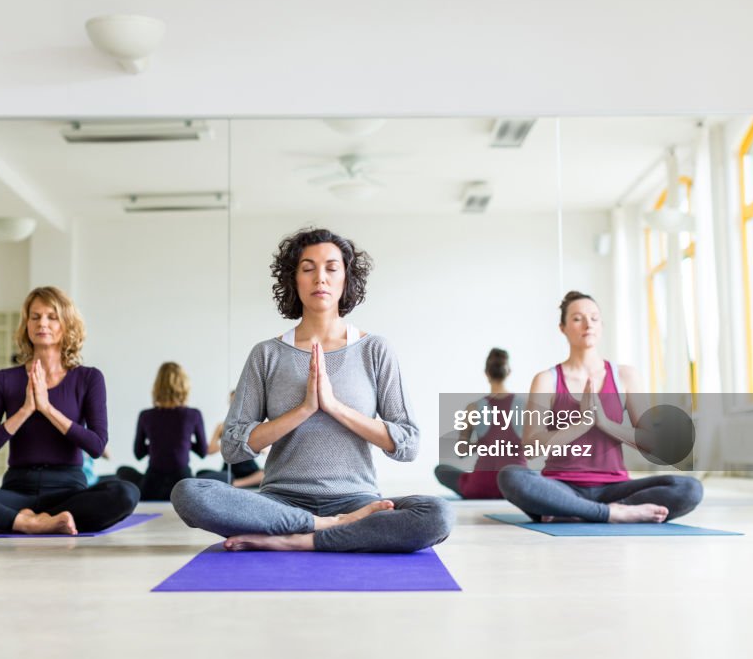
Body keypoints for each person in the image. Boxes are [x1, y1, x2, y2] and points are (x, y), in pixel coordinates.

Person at [171, 227, 455, 552]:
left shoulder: (374, 350)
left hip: (357, 501)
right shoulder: (267, 354)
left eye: (332, 268)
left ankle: (299, 541)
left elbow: (408, 444)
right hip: (280, 503)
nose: (320, 278)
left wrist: (334, 406)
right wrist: (303, 410)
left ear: (346, 279)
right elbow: (233, 447)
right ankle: (323, 529)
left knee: (438, 514)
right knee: (189, 493)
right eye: (308, 268)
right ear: (294, 279)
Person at [0, 287, 139, 534]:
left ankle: (5, 521)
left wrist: (47, 408)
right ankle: (28, 521)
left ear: (66, 324)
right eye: (35, 316)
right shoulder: (3, 380)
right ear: (27, 324)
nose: (42, 323)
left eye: (52, 317)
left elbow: (96, 446)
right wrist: (26, 410)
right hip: (15, 492)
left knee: (126, 492)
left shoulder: (88, 378)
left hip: (69, 494)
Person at [497, 290, 703, 523]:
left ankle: (585, 511)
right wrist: (582, 423)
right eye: (577, 318)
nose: (588, 324)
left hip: (615, 488)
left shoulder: (626, 376)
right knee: (512, 476)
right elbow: (531, 448)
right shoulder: (547, 379)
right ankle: (608, 513)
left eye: (594, 318)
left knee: (689, 488)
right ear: (562, 328)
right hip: (561, 486)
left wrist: (603, 422)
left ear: (602, 325)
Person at [434, 348, 525, 498]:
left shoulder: (473, 407)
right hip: (515, 486)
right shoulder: (525, 405)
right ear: (509, 372)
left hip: (480, 487)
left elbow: (461, 451)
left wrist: (481, 444)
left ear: (486, 373)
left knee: (441, 470)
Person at [115, 362, 208, 500]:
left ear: (157, 387)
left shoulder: (146, 415)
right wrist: (182, 441)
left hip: (152, 487)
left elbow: (138, 453)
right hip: (182, 485)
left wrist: (159, 442)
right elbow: (202, 452)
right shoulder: (193, 414)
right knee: (216, 476)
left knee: (122, 471)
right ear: (184, 386)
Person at [196, 391, 265, 488]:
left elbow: (265, 450)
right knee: (200, 473)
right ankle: (232, 482)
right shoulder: (221, 426)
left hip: (249, 471)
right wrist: (228, 443)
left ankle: (235, 484)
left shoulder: (253, 426)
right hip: (228, 471)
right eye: (231, 402)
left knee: (265, 473)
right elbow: (210, 450)